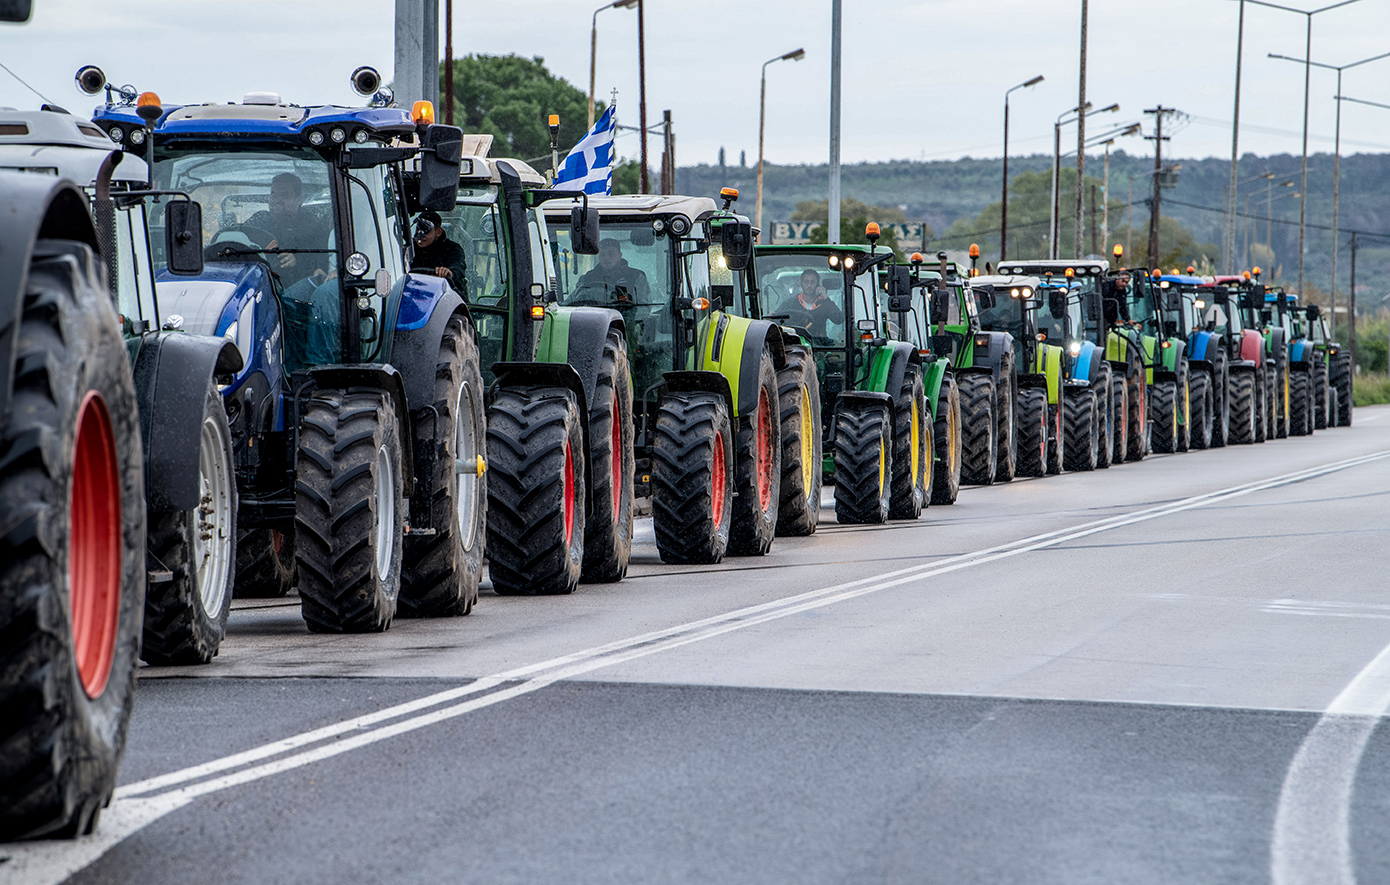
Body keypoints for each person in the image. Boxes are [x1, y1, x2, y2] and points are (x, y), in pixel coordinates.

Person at [244, 172, 331, 287]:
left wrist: (297, 260)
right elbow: (240, 240)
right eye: (273, 194)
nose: (276, 199)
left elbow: (323, 260)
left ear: (298, 199)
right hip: (257, 282)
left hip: (294, 289)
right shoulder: (259, 220)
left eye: (284, 195)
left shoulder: (313, 225)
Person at [571, 238, 650, 306]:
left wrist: (629, 316)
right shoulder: (587, 279)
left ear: (620, 255)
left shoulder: (636, 277)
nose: (606, 258)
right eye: (602, 254)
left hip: (626, 322)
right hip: (592, 321)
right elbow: (571, 302)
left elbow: (644, 307)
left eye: (610, 253)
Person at [410, 210, 468, 296]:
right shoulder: (409, 249)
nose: (420, 235)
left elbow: (458, 267)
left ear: (438, 232)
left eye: (426, 230)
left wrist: (449, 272)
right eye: (418, 229)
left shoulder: (452, 249)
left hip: (445, 297)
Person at [782, 268, 844, 339]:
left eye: (812, 282)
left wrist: (826, 298)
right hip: (796, 344)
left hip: (820, 346)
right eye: (806, 281)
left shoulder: (824, 304)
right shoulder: (791, 303)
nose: (809, 285)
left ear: (818, 284)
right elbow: (778, 319)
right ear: (801, 283)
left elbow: (839, 319)